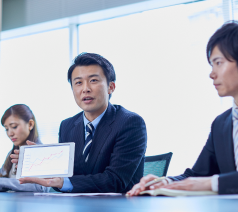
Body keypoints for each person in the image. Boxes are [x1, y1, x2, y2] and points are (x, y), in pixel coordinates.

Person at [128, 20, 238, 196]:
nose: (212, 74)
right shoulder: (221, 123)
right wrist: (165, 182)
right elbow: (197, 175)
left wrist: (213, 182)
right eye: (212, 64)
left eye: (218, 63)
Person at [11, 53, 147, 193]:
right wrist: (44, 166)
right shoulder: (67, 126)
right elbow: (68, 178)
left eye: (93, 80)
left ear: (111, 87)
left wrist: (63, 182)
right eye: (78, 82)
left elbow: (115, 180)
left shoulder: (130, 123)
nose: (85, 89)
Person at [0, 104, 49, 192]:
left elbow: (40, 187)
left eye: (14, 127)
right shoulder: (12, 154)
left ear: (30, 124)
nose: (10, 134)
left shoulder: (41, 154)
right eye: (6, 129)